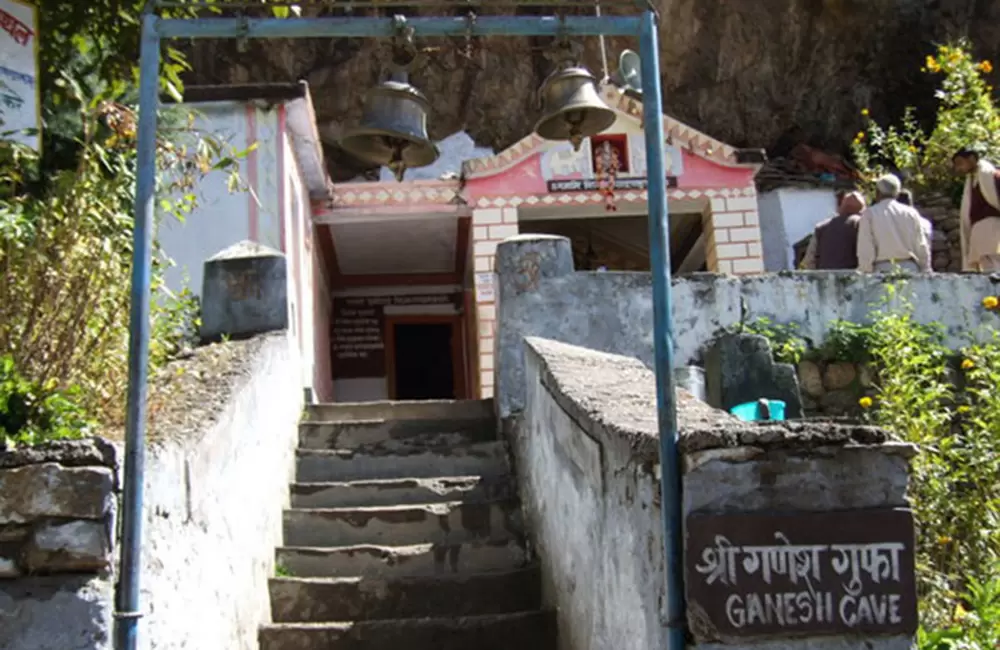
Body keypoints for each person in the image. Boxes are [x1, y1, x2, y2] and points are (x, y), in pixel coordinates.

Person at [856, 174, 931, 273]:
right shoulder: (911, 213)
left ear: (878, 192)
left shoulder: (870, 214)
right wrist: (926, 269)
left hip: (882, 270)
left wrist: (866, 271)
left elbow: (866, 247)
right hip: (910, 269)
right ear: (897, 193)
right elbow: (921, 245)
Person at [953, 148, 1000, 272]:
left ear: (972, 159)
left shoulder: (992, 176)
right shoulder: (972, 181)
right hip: (979, 232)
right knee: (985, 268)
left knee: (994, 267)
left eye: (960, 163)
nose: (958, 168)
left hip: (993, 229)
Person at [799, 190, 866, 270]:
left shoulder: (821, 227)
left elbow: (809, 260)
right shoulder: (862, 224)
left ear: (841, 207)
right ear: (862, 210)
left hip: (825, 277)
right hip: (853, 278)